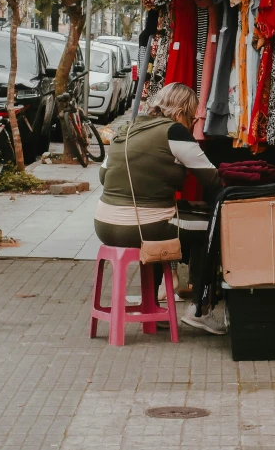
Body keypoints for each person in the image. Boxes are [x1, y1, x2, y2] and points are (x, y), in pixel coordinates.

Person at [95, 82, 226, 335]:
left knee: (170, 222)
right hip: (141, 225)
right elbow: (212, 179)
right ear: (180, 113)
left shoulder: (127, 128)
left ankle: (151, 306)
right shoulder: (174, 131)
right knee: (211, 228)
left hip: (104, 224)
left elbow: (104, 177)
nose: (191, 125)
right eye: (191, 118)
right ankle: (199, 309)